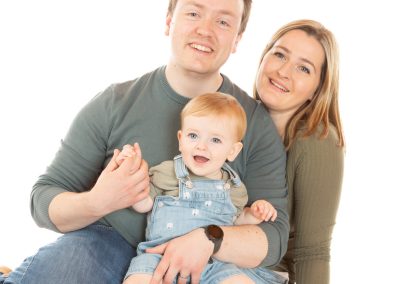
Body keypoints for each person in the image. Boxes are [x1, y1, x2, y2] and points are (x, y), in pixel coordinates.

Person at [2, 1, 289, 284]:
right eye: (193, 13)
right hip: (106, 244)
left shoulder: (255, 124)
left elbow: (274, 235)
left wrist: (209, 239)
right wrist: (97, 201)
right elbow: (43, 199)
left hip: (208, 263)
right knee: (67, 265)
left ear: (237, 38)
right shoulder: (115, 103)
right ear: (169, 21)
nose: (205, 30)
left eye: (223, 21)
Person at [117, 92, 278, 283]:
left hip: (212, 264)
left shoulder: (234, 188)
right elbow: (142, 204)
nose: (201, 146)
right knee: (138, 280)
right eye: (193, 136)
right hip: (160, 258)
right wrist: (130, 169)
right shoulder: (167, 172)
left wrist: (254, 214)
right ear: (180, 139)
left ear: (233, 151)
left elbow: (236, 221)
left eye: (215, 140)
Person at [254, 19, 345, 284]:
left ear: (317, 88)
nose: (284, 71)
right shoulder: (238, 120)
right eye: (280, 54)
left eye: (303, 68)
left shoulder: (317, 140)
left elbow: (312, 253)